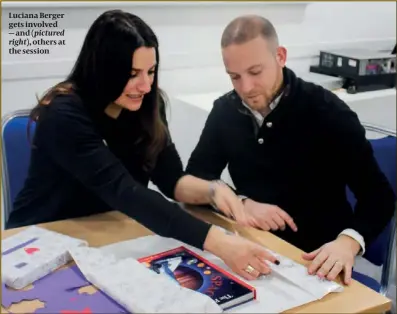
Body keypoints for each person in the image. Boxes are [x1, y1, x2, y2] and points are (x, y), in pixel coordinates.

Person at [7, 10, 279, 280]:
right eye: (132, 73)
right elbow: (125, 192)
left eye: (151, 71)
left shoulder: (147, 104)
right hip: (41, 242)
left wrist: (212, 191)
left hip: (109, 237)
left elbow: (171, 179)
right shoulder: (63, 115)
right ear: (103, 69)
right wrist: (221, 243)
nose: (146, 85)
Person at [186, 15, 396, 285]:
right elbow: (196, 178)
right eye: (234, 77)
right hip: (251, 247)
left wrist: (347, 243)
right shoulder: (226, 110)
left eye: (255, 72)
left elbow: (379, 197)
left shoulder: (328, 113)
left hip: (313, 260)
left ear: (280, 57)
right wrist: (242, 202)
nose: (246, 88)